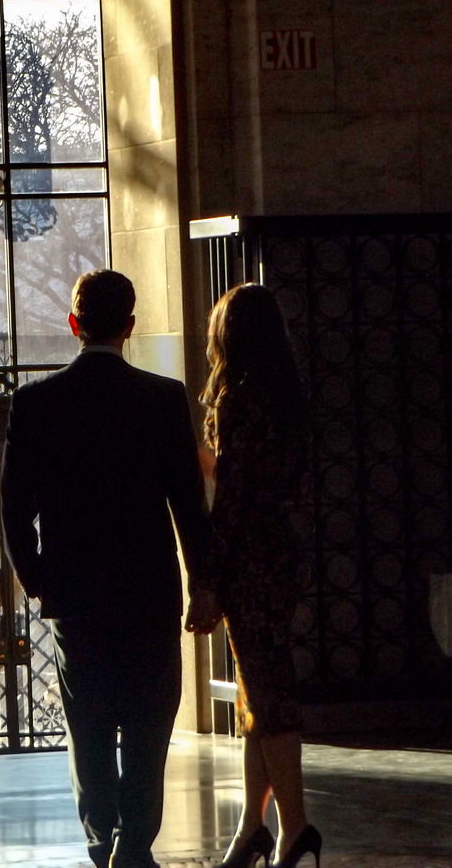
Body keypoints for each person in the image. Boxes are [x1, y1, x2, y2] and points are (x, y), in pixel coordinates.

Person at [0, 269, 213, 868]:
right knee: (149, 720)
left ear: (73, 325)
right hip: (148, 589)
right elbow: (188, 506)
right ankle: (136, 840)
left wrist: (41, 582)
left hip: (75, 592)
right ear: (131, 326)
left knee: (88, 723)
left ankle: (102, 838)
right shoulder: (162, 398)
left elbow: (15, 510)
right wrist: (202, 584)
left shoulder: (34, 403)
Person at [191, 283, 320, 868]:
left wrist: (210, 578)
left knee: (267, 696)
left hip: (248, 558)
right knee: (255, 692)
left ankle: (294, 829)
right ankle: (252, 826)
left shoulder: (238, 399)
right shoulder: (289, 396)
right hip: (283, 552)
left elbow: (233, 496)